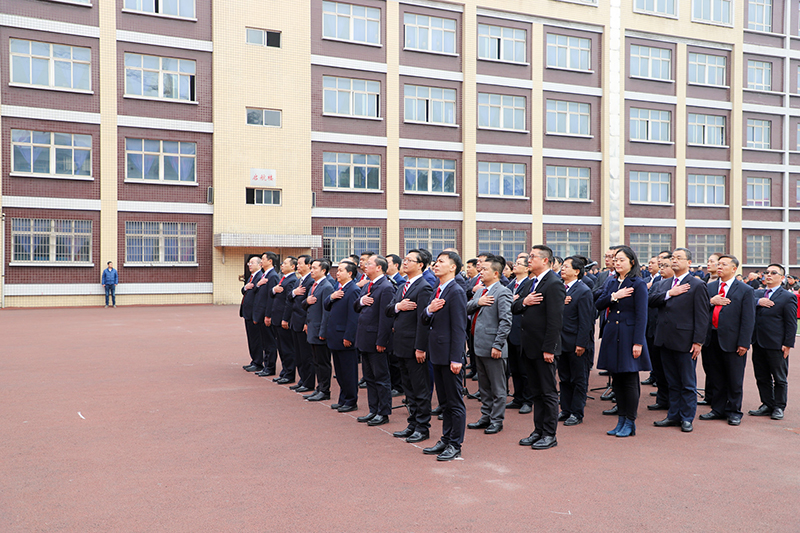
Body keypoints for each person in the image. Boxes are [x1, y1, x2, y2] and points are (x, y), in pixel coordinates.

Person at [650, 248, 710, 433]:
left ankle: (686, 417)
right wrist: (670, 293)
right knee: (671, 381)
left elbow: (702, 316)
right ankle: (673, 415)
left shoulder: (697, 285)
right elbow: (651, 300)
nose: (674, 261)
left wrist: (698, 341)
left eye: (679, 258)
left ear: (689, 262)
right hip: (664, 339)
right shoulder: (664, 283)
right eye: (672, 258)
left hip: (685, 340)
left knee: (687, 381)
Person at [512, 245, 565, 450]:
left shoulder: (553, 283)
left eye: (533, 257)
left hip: (544, 348)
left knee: (548, 392)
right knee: (536, 392)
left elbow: (555, 320)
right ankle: (538, 430)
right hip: (529, 346)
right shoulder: (530, 283)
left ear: (545, 261)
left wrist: (549, 348)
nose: (529, 260)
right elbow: (514, 307)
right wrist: (524, 301)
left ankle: (549, 434)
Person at [595, 246, 651, 438]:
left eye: (621, 260)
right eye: (615, 260)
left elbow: (642, 315)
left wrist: (638, 342)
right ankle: (620, 419)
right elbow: (598, 304)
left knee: (629, 380)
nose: (617, 263)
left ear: (632, 262)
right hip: (612, 334)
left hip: (629, 336)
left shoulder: (638, 284)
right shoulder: (611, 282)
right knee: (616, 380)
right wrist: (613, 297)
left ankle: (630, 421)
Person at [419, 251, 468, 461]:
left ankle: (455, 443)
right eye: (435, 262)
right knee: (444, 402)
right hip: (437, 354)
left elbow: (459, 327)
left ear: (453, 267)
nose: (435, 265)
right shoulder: (438, 289)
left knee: (455, 402)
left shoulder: (455, 291)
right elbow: (424, 318)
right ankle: (446, 438)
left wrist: (457, 358)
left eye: (441, 262)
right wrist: (429, 309)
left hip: (450, 356)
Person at [700, 255, 755, 426]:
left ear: (734, 269)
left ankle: (734, 411)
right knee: (715, 376)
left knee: (734, 378)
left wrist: (744, 342)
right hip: (711, 338)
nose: (720, 267)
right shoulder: (709, 287)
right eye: (719, 264)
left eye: (724, 264)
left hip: (733, 340)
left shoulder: (745, 290)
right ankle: (718, 409)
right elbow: (700, 309)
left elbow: (748, 319)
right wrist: (710, 301)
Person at [386, 249, 433, 443]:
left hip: (415, 347)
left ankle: (422, 427)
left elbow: (424, 321)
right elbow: (389, 309)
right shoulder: (403, 286)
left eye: (409, 260)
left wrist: (420, 347)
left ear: (420, 264)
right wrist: (399, 306)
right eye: (404, 259)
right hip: (401, 345)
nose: (404, 263)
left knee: (420, 389)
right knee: (409, 388)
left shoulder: (424, 287)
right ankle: (412, 423)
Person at [466, 256, 513, 435]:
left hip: (494, 347)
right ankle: (485, 416)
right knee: (484, 387)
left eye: (484, 269)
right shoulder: (480, 292)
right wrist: (478, 302)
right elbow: (467, 307)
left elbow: (506, 321)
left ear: (495, 273)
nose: (480, 271)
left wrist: (498, 345)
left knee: (498, 387)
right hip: (478, 345)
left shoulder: (503, 292)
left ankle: (496, 420)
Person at [749, 264, 797, 420]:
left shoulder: (787, 296)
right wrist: (759, 302)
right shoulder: (757, 293)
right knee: (761, 376)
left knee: (779, 378)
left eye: (773, 273)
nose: (768, 275)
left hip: (776, 344)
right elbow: (748, 302)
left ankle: (779, 406)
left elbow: (791, 323)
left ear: (782, 278)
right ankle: (767, 404)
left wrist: (788, 344)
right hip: (758, 342)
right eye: (767, 272)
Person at [354, 255, 396, 427]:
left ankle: (383, 412)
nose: (364, 265)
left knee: (381, 377)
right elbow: (357, 306)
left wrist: (382, 341)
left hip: (376, 339)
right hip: (364, 337)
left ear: (379, 267)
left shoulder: (386, 287)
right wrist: (361, 301)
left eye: (369, 263)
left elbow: (386, 318)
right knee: (369, 377)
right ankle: (373, 409)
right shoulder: (368, 285)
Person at [558, 256, 595, 426]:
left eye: (566, 267)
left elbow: (586, 321)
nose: (562, 269)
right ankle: (565, 410)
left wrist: (581, 343)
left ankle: (576, 412)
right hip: (561, 342)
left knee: (578, 379)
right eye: (562, 267)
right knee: (564, 378)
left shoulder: (583, 291)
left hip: (576, 343)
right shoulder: (560, 288)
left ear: (577, 271)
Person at [325, 261, 362, 412]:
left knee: (348, 371)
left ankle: (351, 400)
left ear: (350, 273)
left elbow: (354, 317)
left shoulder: (353, 290)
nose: (337, 273)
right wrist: (331, 297)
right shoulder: (337, 288)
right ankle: (343, 399)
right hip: (335, 335)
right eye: (337, 270)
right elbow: (326, 305)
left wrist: (349, 336)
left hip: (344, 337)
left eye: (341, 270)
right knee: (340, 372)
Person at [506, 255, 534, 415]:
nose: (515, 266)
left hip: (522, 330)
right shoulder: (510, 284)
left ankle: (527, 399)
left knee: (524, 369)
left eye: (519, 264)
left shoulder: (529, 284)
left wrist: (518, 300)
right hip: (510, 330)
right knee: (514, 368)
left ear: (526, 268)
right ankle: (517, 397)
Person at [302, 259, 333, 402]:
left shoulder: (326, 286)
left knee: (323, 362)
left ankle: (325, 390)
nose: (311, 270)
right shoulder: (314, 285)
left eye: (314, 268)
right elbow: (307, 305)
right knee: (316, 361)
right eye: (311, 268)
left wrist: (323, 332)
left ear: (323, 271)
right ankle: (319, 387)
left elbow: (327, 312)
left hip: (320, 331)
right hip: (312, 328)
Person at [646, 254, 673, 411]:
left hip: (670, 333)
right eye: (660, 266)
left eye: (665, 266)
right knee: (658, 368)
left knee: (671, 370)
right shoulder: (657, 284)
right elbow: (650, 301)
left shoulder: (677, 285)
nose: (662, 269)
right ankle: (662, 399)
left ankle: (673, 401)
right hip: (653, 331)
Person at [287, 255, 315, 393]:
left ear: (309, 265)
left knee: (306, 355)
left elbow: (309, 306)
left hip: (303, 322)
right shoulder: (299, 281)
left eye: (300, 264)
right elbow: (289, 297)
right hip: (295, 321)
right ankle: (302, 379)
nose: (298, 266)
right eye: (297, 264)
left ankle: (308, 382)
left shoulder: (311, 281)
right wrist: (294, 292)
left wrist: (306, 322)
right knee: (298, 354)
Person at [254, 251, 280, 377]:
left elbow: (271, 298)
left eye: (263, 259)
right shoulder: (264, 275)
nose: (261, 261)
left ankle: (270, 367)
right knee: (264, 342)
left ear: (270, 261)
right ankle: (266, 365)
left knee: (270, 342)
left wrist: (268, 315)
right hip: (261, 313)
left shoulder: (273, 276)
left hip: (266, 314)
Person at [272, 257, 298, 384]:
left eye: (285, 263)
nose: (282, 265)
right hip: (277, 318)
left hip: (283, 318)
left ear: (293, 267)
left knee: (287, 348)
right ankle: (284, 372)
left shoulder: (292, 280)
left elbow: (289, 302)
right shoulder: (283, 278)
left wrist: (285, 319)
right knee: (281, 348)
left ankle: (289, 374)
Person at [241, 255, 264, 372]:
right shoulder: (251, 277)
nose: (249, 265)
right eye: (249, 263)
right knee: (251, 338)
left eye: (252, 263)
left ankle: (258, 362)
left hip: (254, 314)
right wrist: (246, 287)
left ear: (260, 264)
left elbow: (260, 296)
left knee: (256, 339)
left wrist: (255, 286)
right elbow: (243, 290)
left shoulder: (260, 277)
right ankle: (254, 360)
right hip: (247, 313)